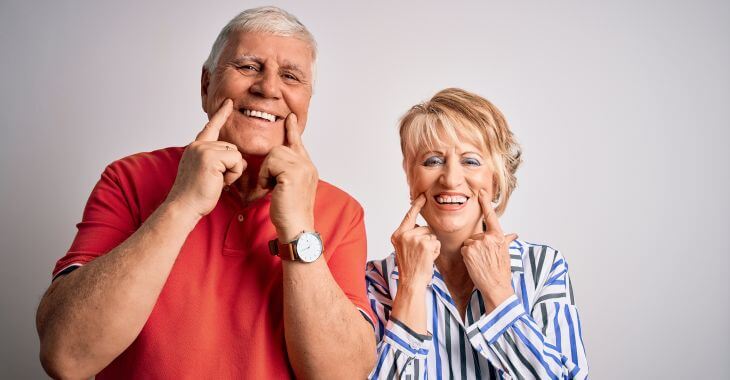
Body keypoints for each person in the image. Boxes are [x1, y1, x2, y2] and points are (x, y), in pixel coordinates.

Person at [35, 6, 375, 379]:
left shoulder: (343, 212)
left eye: (291, 76)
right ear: (206, 84)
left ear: (307, 103)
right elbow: (66, 356)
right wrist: (183, 203)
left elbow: (342, 374)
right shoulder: (129, 179)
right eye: (248, 66)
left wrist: (297, 227)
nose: (269, 87)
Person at [366, 88, 588, 379]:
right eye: (432, 161)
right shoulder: (378, 280)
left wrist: (498, 290)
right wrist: (410, 287)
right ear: (411, 178)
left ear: (496, 181)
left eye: (470, 161)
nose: (451, 179)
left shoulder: (543, 267)